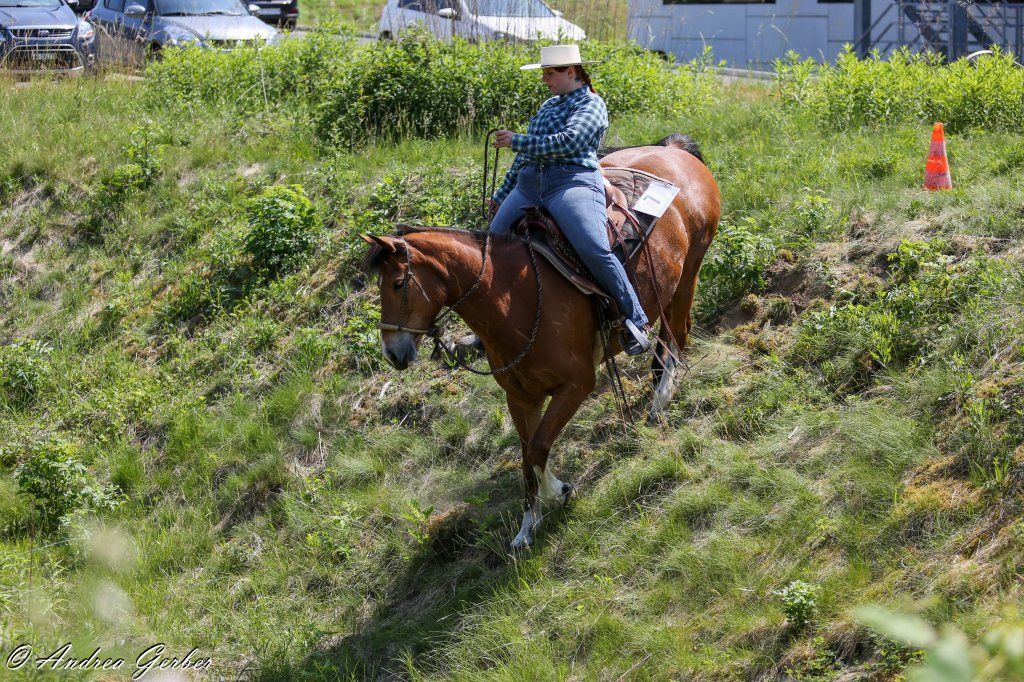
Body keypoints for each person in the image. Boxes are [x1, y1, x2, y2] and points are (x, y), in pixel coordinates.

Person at [480, 44, 652, 356]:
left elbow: (570, 142)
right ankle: (489, 326)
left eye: (550, 73)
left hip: (570, 182)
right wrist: (502, 193)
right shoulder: (548, 106)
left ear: (570, 72)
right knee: (491, 247)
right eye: (544, 73)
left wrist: (517, 140)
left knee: (594, 247)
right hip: (529, 184)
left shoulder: (591, 104)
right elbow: (524, 158)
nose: (545, 79)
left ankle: (635, 320)